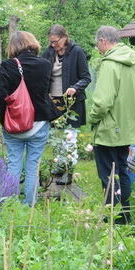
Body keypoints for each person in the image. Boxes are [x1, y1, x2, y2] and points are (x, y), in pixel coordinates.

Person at [0, 31, 62, 205]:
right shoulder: (45, 65)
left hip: (13, 127)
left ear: (13, 47)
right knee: (33, 168)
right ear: (32, 43)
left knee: (13, 165)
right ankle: (29, 207)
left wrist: (4, 122)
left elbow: (1, 96)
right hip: (39, 124)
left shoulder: (8, 65)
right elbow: (44, 93)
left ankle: (8, 205)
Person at [90, 26, 135, 223]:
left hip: (108, 129)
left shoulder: (110, 64)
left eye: (97, 44)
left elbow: (103, 101)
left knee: (108, 174)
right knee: (122, 170)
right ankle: (125, 215)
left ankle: (111, 216)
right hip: (129, 126)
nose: (98, 48)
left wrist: (92, 117)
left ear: (104, 41)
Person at [41, 24, 91, 185]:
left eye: (56, 42)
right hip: (53, 102)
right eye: (51, 42)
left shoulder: (77, 52)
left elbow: (86, 77)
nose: (53, 45)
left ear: (65, 37)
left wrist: (75, 88)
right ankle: (60, 166)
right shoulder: (49, 52)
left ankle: (68, 172)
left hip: (71, 103)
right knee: (56, 136)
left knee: (69, 137)